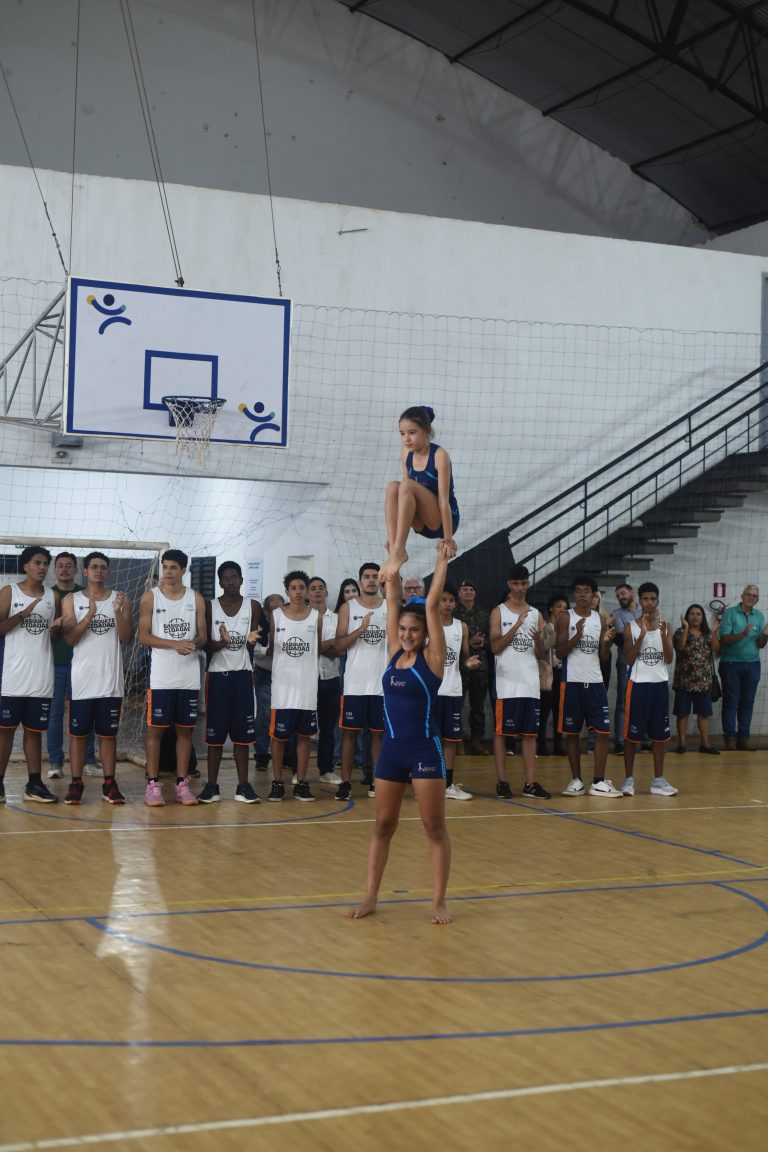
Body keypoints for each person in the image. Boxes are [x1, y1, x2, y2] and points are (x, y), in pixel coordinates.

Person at [347, 543, 453, 924]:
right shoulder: (393, 652)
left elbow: (432, 604)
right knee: (382, 825)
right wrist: (394, 556)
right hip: (391, 753)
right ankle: (370, 897)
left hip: (424, 751)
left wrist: (441, 561)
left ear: (425, 633)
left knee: (434, 828)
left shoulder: (433, 659)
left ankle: (438, 902)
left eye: (414, 630)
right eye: (403, 629)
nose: (406, 635)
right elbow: (392, 599)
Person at [61, 552, 133, 805]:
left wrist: (118, 612)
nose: (98, 571)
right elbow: (71, 639)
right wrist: (90, 614)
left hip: (110, 681)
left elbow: (126, 638)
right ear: (85, 571)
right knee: (78, 735)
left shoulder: (121, 598)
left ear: (108, 571)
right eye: (94, 567)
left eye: (103, 567)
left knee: (108, 736)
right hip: (82, 680)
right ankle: (76, 782)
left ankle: (109, 783)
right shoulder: (71, 600)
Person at [139, 548, 207, 807]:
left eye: (173, 567)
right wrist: (174, 643)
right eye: (165, 567)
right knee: (155, 731)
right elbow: (143, 636)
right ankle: (152, 784)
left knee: (185, 733)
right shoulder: (151, 597)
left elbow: (202, 635)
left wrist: (194, 643)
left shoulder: (195, 598)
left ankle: (182, 784)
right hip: (162, 678)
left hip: (188, 678)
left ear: (183, 570)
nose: (167, 571)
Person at [0, 546, 61, 803]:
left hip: (41, 677)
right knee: (5, 731)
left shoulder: (52, 597)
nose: (42, 567)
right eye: (37, 562)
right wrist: (22, 615)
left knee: (34, 731)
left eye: (45, 563)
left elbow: (54, 637)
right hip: (13, 677)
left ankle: (34, 785)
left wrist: (56, 629)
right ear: (25, 566)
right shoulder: (9, 592)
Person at [197, 562, 262, 804]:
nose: (231, 581)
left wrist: (252, 641)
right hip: (217, 676)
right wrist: (223, 643)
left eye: (235, 577)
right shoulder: (210, 607)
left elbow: (252, 640)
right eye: (226, 578)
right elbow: (205, 646)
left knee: (243, 737)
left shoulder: (253, 606)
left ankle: (243, 786)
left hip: (243, 676)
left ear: (242, 580)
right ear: (220, 582)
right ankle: (212, 787)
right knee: (215, 737)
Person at [556, 575, 621, 797]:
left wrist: (607, 643)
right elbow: (559, 652)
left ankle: (598, 781)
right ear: (574, 594)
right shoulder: (566, 617)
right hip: (572, 682)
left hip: (595, 682)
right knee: (572, 733)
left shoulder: (601, 620)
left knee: (602, 732)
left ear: (594, 595)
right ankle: (576, 780)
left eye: (586, 590)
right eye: (578, 590)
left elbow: (603, 657)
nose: (582, 594)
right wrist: (578, 635)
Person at [490, 565, 551, 800]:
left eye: (523, 583)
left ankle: (530, 783)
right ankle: (502, 782)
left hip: (530, 684)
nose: (520, 588)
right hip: (507, 685)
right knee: (501, 733)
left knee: (530, 734)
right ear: (509, 584)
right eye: (515, 583)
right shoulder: (499, 612)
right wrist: (516, 627)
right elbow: (495, 647)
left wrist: (538, 640)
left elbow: (541, 654)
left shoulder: (536, 614)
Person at [380, 405, 458, 583]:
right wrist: (392, 536)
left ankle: (399, 550)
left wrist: (447, 539)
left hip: (442, 521)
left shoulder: (439, 456)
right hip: (421, 521)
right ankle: (394, 550)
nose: (406, 439)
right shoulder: (406, 453)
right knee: (393, 487)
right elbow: (404, 499)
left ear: (427, 432)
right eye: (402, 434)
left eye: (412, 433)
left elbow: (444, 501)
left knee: (406, 485)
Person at [267, 570, 324, 802]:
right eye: (293, 588)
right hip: (283, 689)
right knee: (279, 738)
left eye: (302, 587)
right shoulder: (276, 615)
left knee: (304, 737)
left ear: (307, 590)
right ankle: (277, 782)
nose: (298, 592)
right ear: (287, 591)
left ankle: (301, 782)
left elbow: (316, 650)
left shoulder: (316, 616)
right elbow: (271, 649)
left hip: (307, 688)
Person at [334, 562, 388, 802]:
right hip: (355, 683)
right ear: (360, 581)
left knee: (378, 735)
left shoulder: (390, 606)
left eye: (375, 576)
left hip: (382, 684)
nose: (371, 580)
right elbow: (338, 646)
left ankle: (377, 782)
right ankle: (345, 783)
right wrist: (360, 629)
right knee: (349, 734)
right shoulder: (348, 608)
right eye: (367, 576)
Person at [621, 582, 677, 796]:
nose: (649, 602)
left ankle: (658, 780)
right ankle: (628, 780)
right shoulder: (631, 627)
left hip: (659, 686)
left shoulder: (667, 626)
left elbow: (669, 659)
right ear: (640, 601)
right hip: (638, 686)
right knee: (631, 737)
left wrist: (662, 636)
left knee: (659, 737)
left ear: (657, 601)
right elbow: (628, 659)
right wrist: (642, 636)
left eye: (653, 598)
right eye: (645, 598)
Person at [47, 551, 97, 779]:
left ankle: (89, 760)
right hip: (55, 663)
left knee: (87, 713)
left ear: (77, 570)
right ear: (55, 570)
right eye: (60, 565)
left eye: (69, 565)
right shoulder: (48, 596)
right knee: (55, 714)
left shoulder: (87, 595)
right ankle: (55, 762)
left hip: (84, 664)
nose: (64, 569)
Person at [437, 582, 480, 800]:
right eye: (443, 599)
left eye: (451, 600)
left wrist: (468, 663)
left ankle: (448, 783)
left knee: (450, 739)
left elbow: (464, 657)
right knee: (430, 739)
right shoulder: (427, 624)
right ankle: (426, 781)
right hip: (432, 692)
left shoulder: (461, 627)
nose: (447, 604)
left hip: (453, 690)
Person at [718, 584, 768, 750]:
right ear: (742, 596)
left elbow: (761, 644)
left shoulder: (759, 616)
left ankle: (743, 738)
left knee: (747, 702)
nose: (751, 597)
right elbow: (724, 639)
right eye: (749, 594)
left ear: (757, 600)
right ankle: (730, 738)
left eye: (754, 595)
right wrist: (742, 634)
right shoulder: (730, 613)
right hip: (730, 664)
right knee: (731, 701)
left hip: (753, 665)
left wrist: (765, 634)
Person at [672, 604, 721, 755]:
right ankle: (681, 744)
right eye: (692, 614)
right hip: (684, 680)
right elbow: (680, 647)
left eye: (698, 614)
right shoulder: (680, 632)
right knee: (682, 713)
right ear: (687, 617)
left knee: (703, 714)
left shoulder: (707, 633)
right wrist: (686, 628)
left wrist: (713, 632)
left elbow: (716, 648)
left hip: (704, 681)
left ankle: (705, 744)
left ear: (702, 617)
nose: (695, 616)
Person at [308, 576, 342, 785]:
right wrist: (329, 643)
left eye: (321, 588)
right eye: (313, 588)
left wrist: (317, 646)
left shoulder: (337, 619)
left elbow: (341, 649)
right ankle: (297, 770)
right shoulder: (301, 618)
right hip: (306, 679)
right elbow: (304, 649)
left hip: (330, 678)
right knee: (301, 728)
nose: (317, 591)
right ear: (307, 593)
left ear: (327, 593)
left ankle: (326, 769)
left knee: (328, 729)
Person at [456, 578, 490, 755]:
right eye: (465, 589)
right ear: (459, 593)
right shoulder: (453, 613)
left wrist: (483, 642)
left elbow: (493, 638)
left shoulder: (484, 614)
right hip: (459, 666)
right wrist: (468, 642)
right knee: (457, 705)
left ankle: (476, 741)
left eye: (471, 589)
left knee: (478, 707)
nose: (468, 592)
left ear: (475, 593)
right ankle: (457, 742)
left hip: (480, 666)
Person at [252, 593, 285, 771]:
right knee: (265, 715)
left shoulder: (291, 622)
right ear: (265, 611)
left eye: (280, 608)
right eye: (273, 610)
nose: (277, 613)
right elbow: (253, 649)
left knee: (286, 714)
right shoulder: (258, 625)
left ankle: (287, 755)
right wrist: (269, 650)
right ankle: (262, 754)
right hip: (265, 673)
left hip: (286, 675)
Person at [612, 583, 642, 754]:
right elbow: (625, 637)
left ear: (632, 592)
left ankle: (645, 739)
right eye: (618, 596)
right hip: (626, 661)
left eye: (623, 593)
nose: (621, 597)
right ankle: (620, 741)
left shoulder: (645, 611)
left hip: (646, 660)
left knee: (645, 699)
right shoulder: (617, 614)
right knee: (623, 701)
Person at [537, 594, 568, 756]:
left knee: (559, 709)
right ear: (551, 608)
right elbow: (544, 647)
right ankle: (541, 743)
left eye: (565, 607)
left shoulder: (568, 628)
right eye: (558, 606)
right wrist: (556, 631)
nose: (562, 610)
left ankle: (558, 743)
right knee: (544, 710)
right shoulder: (545, 626)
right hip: (548, 673)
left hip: (562, 672)